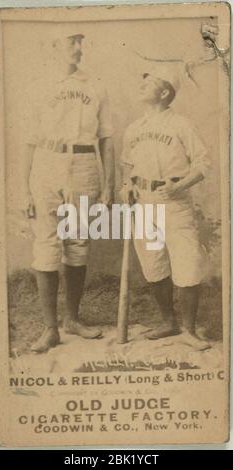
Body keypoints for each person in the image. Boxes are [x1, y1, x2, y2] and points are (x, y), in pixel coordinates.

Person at [21, 31, 114, 352]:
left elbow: (106, 138)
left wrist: (109, 184)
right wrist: (24, 190)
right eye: (70, 42)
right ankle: (50, 329)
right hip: (47, 164)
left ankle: (71, 319)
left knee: (76, 243)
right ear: (53, 45)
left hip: (85, 163)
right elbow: (29, 140)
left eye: (81, 42)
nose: (78, 48)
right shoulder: (39, 84)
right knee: (46, 244)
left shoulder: (94, 84)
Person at [120, 66, 211, 350]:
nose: (141, 86)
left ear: (163, 92)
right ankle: (168, 322)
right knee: (153, 265)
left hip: (174, 201)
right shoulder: (134, 128)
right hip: (144, 202)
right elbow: (127, 165)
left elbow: (203, 163)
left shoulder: (182, 124)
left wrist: (180, 185)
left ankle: (190, 331)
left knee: (187, 265)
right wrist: (127, 185)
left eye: (149, 83)